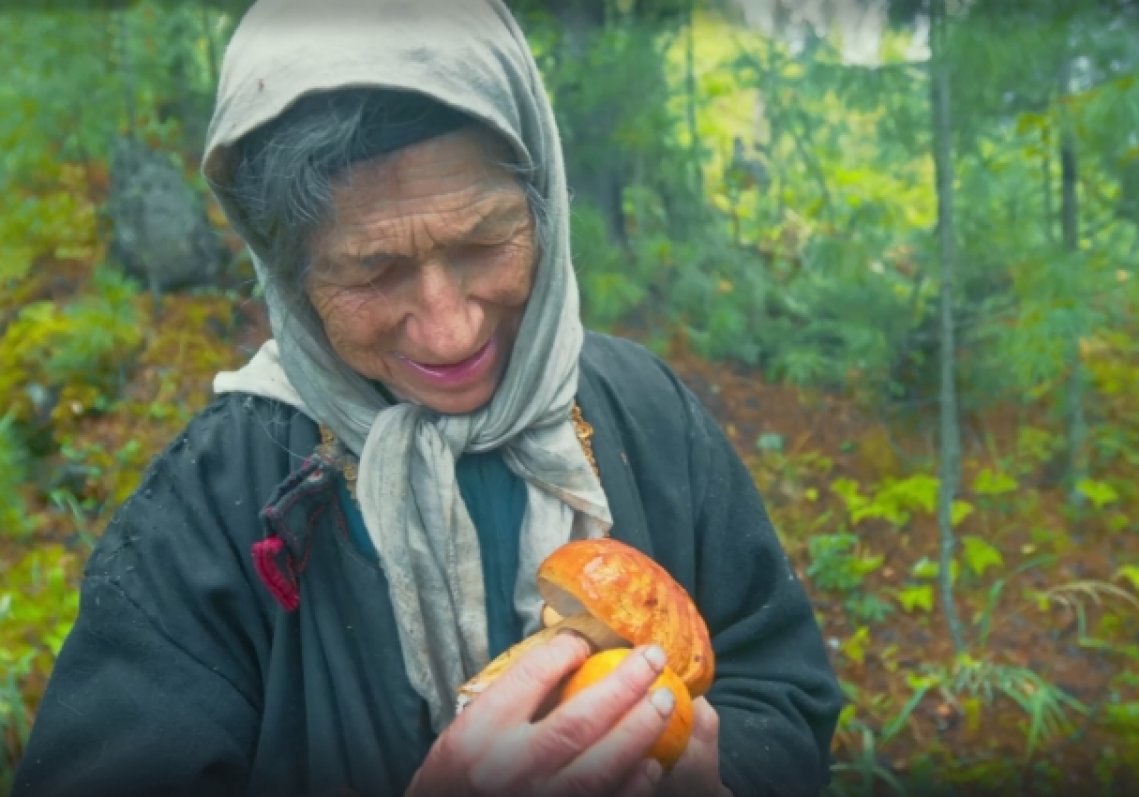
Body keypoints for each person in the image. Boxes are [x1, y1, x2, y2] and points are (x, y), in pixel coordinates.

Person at [14, 1, 842, 795]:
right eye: (372, 271)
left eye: (484, 241)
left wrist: (726, 773)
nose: (449, 332)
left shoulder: (650, 418)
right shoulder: (210, 510)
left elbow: (782, 687)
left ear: (543, 205)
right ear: (294, 278)